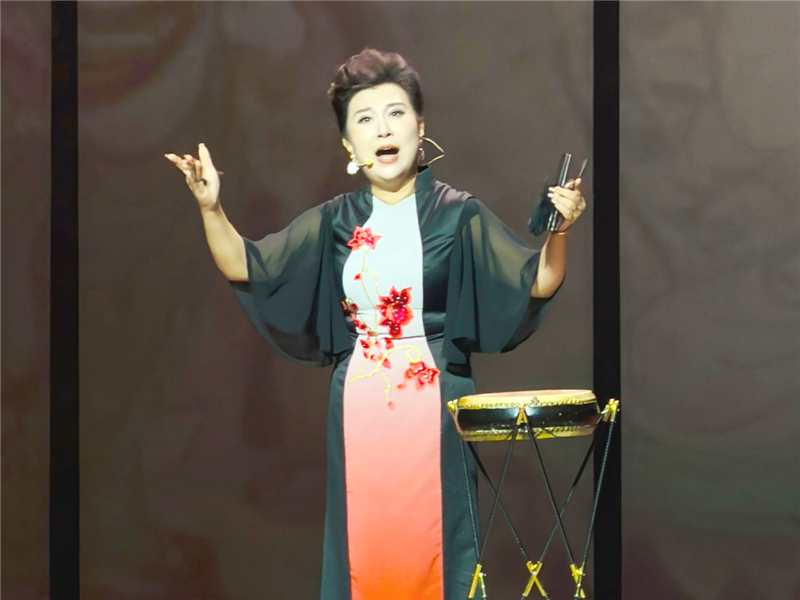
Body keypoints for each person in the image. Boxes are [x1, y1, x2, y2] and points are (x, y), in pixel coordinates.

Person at [166, 48, 586, 600]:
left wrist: (560, 231)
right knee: (366, 551)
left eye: (395, 113)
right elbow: (246, 264)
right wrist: (210, 208)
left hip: (436, 404)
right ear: (348, 144)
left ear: (420, 127)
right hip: (360, 405)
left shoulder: (458, 214)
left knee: (440, 552)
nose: (382, 130)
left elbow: (539, 281)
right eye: (364, 119)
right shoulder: (335, 220)